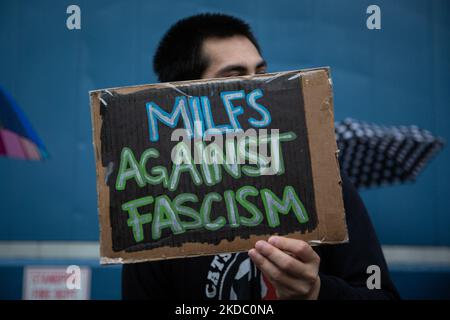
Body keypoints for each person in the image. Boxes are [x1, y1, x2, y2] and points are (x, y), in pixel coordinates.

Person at [122, 13, 400, 300]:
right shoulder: (158, 210)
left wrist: (317, 292)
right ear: (186, 97)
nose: (260, 89)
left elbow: (382, 295)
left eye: (262, 72)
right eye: (235, 77)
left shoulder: (321, 179)